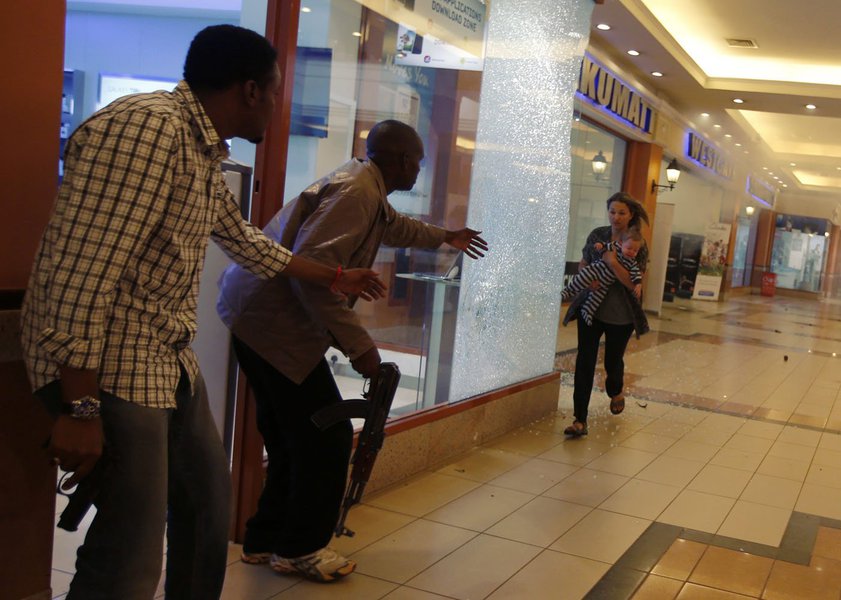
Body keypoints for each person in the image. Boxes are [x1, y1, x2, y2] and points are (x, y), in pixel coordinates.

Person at [21, 25, 385, 600]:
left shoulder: (200, 148)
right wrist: (80, 406)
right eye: (275, 91)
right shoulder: (146, 129)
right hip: (110, 364)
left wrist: (337, 276)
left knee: (207, 511)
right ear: (249, 91)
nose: (277, 105)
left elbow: (244, 240)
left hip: (165, 358)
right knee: (130, 552)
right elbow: (79, 274)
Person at [217, 119, 488, 582]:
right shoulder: (357, 193)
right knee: (328, 437)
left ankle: (265, 539)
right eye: (418, 162)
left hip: (256, 318)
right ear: (402, 160)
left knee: (288, 436)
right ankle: (299, 548)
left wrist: (445, 236)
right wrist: (362, 349)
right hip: (274, 325)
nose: (419, 171)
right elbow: (318, 279)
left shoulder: (365, 186)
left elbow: (395, 227)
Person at [562, 192, 649, 437]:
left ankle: (616, 391)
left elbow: (633, 283)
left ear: (630, 214)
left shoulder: (636, 241)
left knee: (612, 361)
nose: (616, 217)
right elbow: (584, 263)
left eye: (622, 212)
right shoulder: (598, 235)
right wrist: (588, 280)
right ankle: (580, 419)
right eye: (612, 211)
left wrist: (612, 263)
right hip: (592, 309)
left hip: (622, 316)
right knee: (585, 361)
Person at [561, 227, 645, 322]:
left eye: (635, 251)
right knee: (582, 278)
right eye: (629, 248)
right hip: (596, 270)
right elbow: (607, 246)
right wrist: (600, 245)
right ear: (621, 243)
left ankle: (587, 312)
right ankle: (568, 291)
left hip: (604, 283)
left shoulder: (632, 263)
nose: (631, 252)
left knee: (596, 298)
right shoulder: (615, 247)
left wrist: (638, 284)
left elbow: (636, 274)